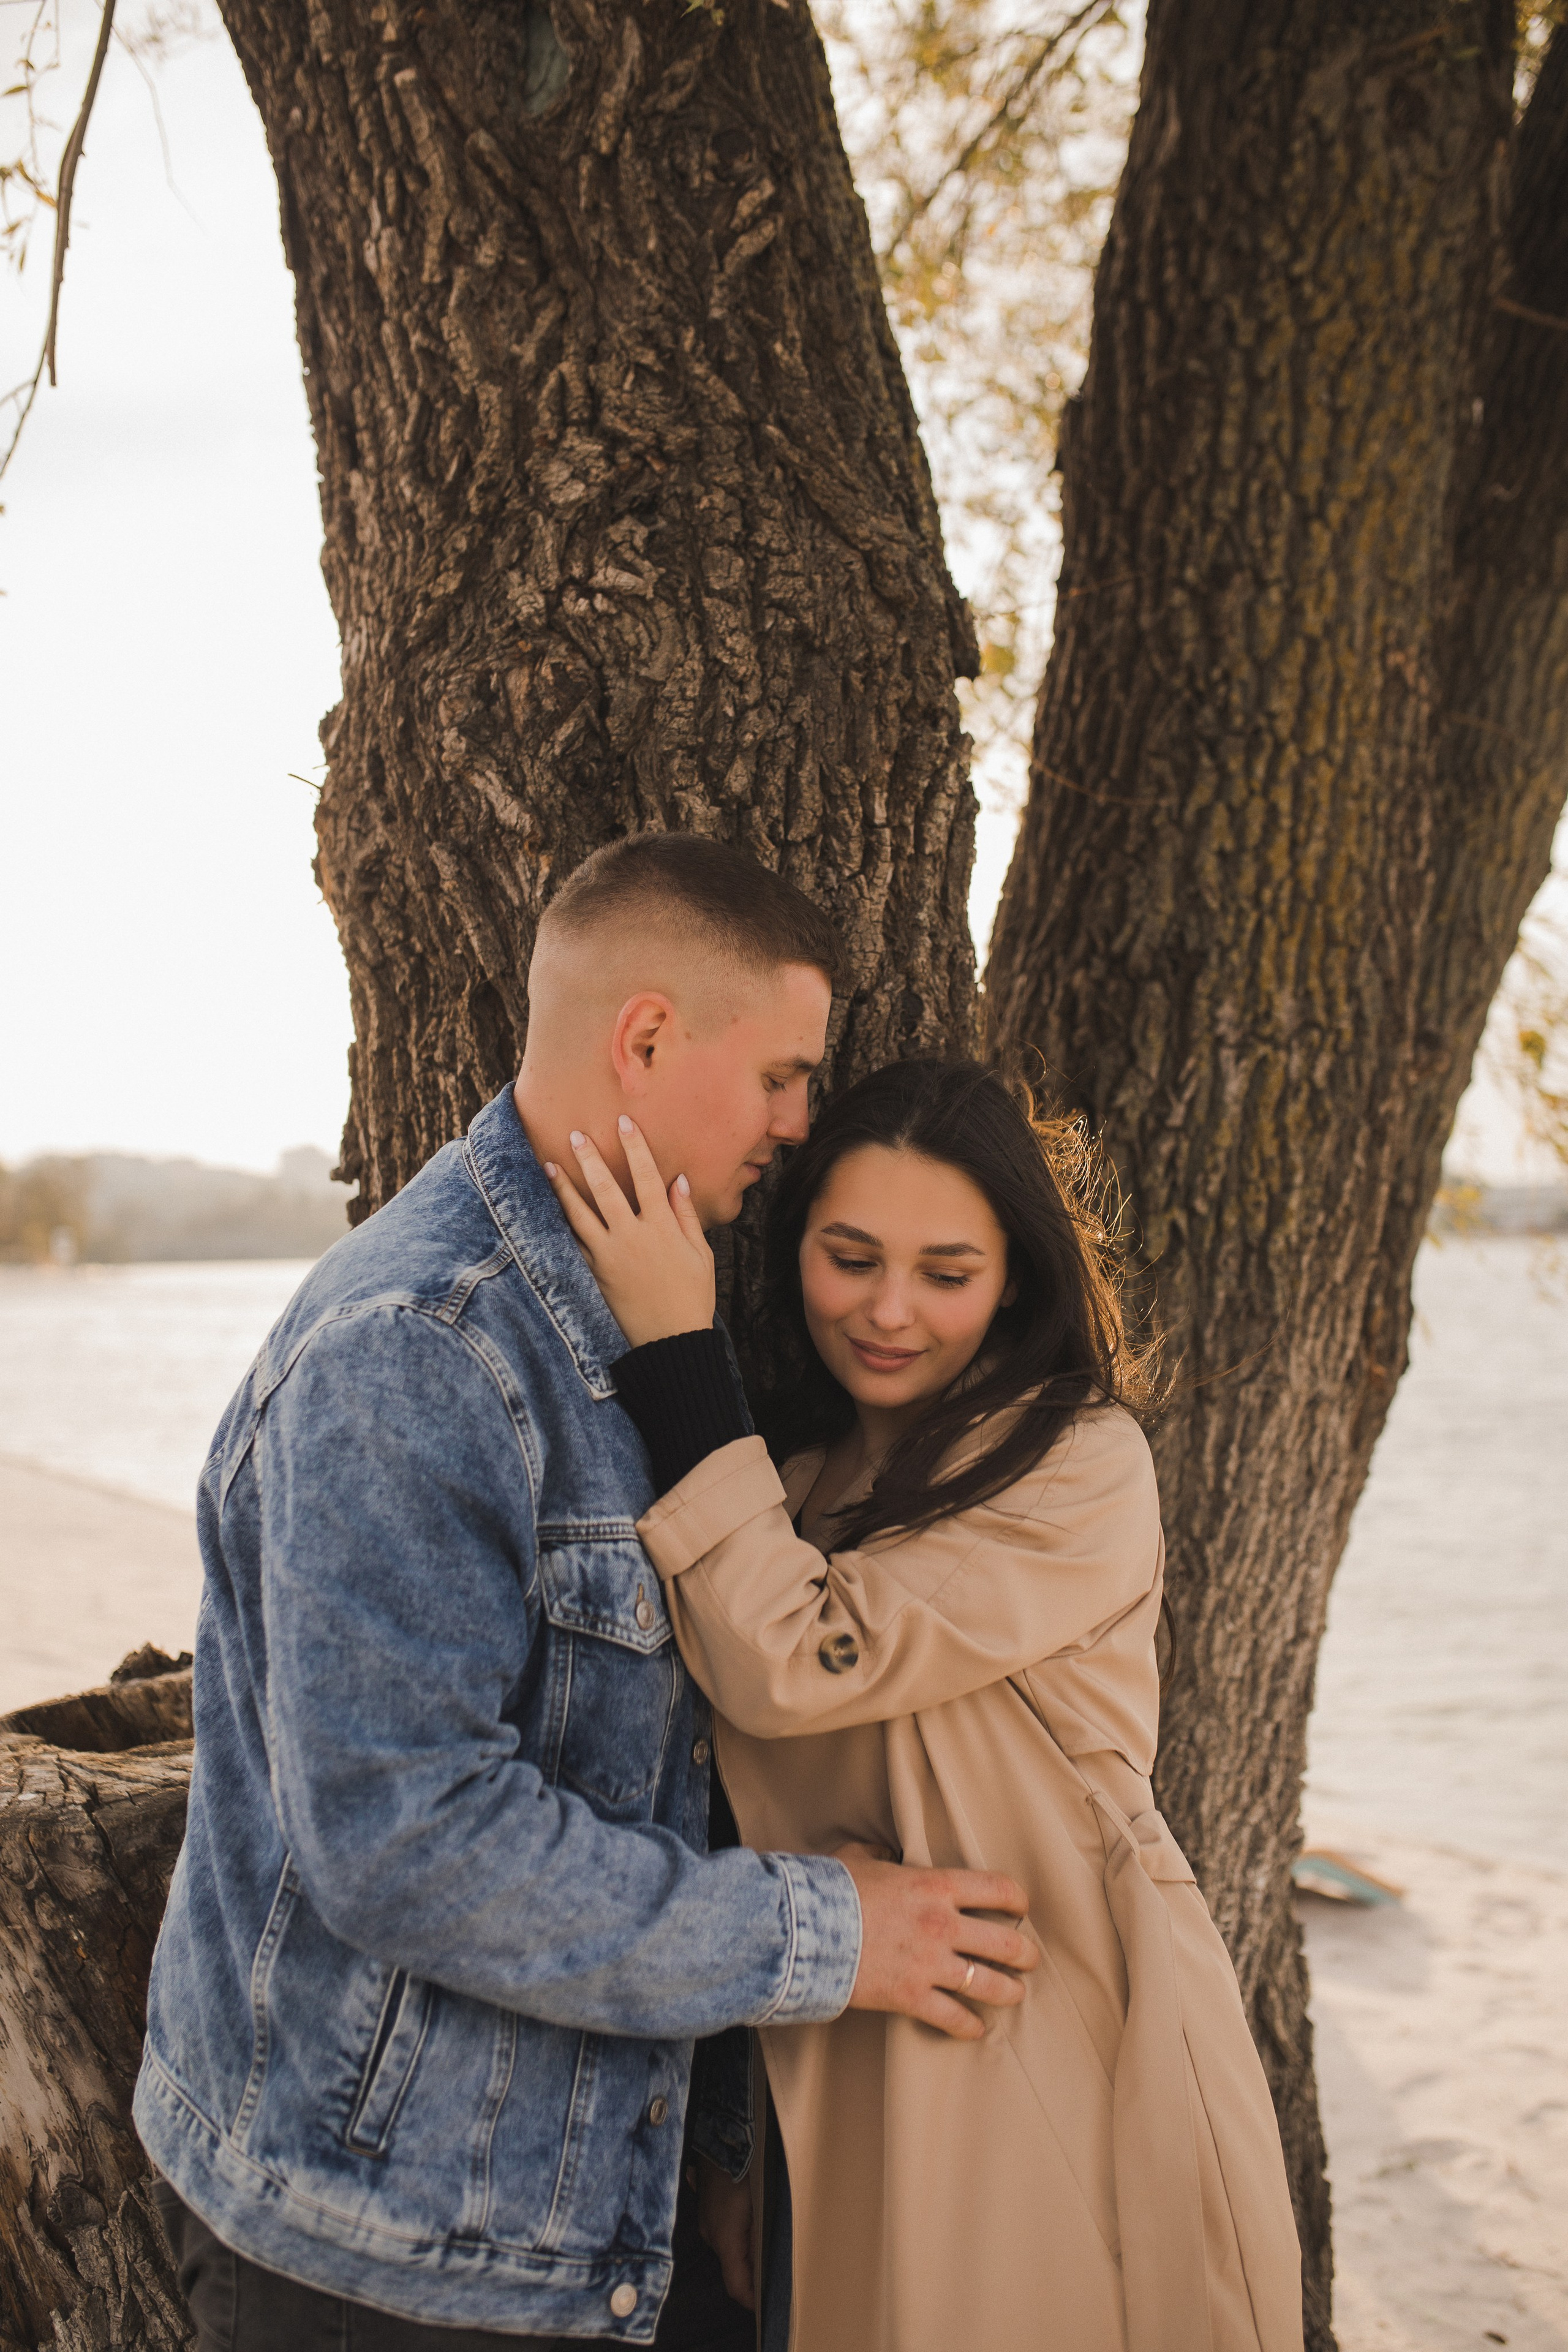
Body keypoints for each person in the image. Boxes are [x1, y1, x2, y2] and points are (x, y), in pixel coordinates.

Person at [134, 837, 1039, 2352]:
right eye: (781, 1079)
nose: (800, 1125)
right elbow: (407, 1843)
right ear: (644, 1038)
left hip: (591, 2219)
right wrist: (832, 1940)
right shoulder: (421, 1347)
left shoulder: (638, 1296)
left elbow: (665, 1768)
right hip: (385, 2260)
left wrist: (722, 2149)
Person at [548, 1057, 1306, 2352]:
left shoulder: (1075, 1463)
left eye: (945, 1275)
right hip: (826, 2054)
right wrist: (738, 2145)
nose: (890, 1311)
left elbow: (791, 1660)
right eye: (849, 1258)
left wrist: (676, 1350)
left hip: (1040, 2047)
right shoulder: (781, 1483)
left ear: (1011, 1276)